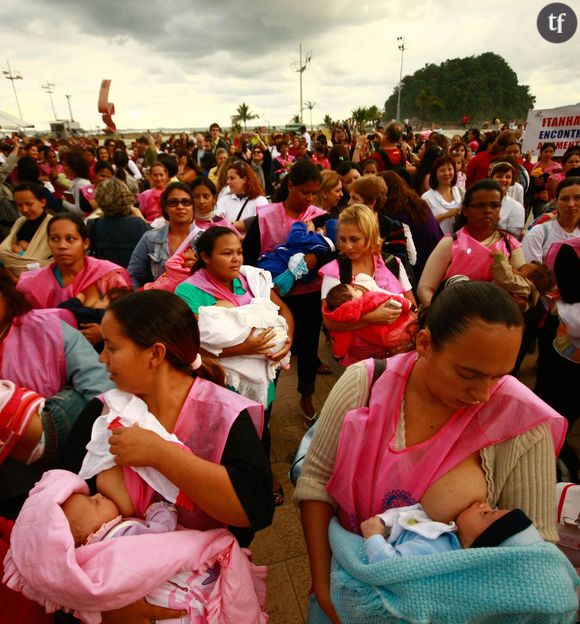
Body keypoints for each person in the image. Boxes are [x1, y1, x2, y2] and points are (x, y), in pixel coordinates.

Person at [295, 281, 566, 623]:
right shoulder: (365, 383)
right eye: (468, 374)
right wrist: (321, 583)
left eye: (498, 376)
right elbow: (317, 482)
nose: (483, 395)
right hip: (347, 593)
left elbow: (532, 557)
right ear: (424, 343)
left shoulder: (521, 424)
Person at [42, 289, 273, 621]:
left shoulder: (226, 416)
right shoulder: (103, 413)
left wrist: (160, 454)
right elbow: (56, 508)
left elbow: (253, 512)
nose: (101, 358)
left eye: (112, 346)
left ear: (155, 353)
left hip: (198, 596)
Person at [243, 161, 330, 424]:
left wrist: (317, 260)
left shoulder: (318, 216)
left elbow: (332, 250)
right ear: (290, 185)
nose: (310, 199)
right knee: (276, 349)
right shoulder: (266, 216)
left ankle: (306, 396)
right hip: (274, 298)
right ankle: (266, 404)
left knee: (308, 348)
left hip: (310, 296)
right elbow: (248, 257)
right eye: (305, 192)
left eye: (314, 193)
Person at [319, 204, 415, 366]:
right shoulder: (336, 271)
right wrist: (373, 318)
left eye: (354, 239)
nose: (347, 246)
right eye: (342, 239)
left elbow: (413, 306)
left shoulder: (392, 263)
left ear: (370, 236)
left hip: (398, 357)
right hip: (357, 365)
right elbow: (329, 322)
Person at [17, 214, 131, 344]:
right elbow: (24, 328)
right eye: (54, 239)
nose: (62, 246)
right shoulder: (31, 284)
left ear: (85, 243)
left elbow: (129, 321)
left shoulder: (111, 276)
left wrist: (104, 333)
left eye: (70, 239)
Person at [418, 179, 524, 308]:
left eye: (494, 205)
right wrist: (441, 315)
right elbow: (425, 288)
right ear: (465, 210)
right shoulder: (450, 243)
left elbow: (522, 288)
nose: (488, 210)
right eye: (480, 206)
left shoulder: (510, 246)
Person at [361, 502, 543, 563]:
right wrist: (386, 521)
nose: (483, 503)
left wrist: (374, 536)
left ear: (470, 544)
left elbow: (390, 567)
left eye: (486, 513)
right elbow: (411, 515)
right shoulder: (445, 533)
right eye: (493, 506)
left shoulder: (437, 550)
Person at [323, 275, 415, 362]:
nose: (358, 289)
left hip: (373, 350)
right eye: (355, 290)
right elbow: (391, 298)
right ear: (351, 298)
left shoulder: (344, 318)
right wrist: (409, 305)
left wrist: (339, 355)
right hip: (398, 330)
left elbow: (342, 339)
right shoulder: (368, 298)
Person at [127, 181, 198, 288]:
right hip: (161, 302)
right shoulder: (150, 238)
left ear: (192, 206)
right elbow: (133, 275)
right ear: (165, 207)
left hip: (197, 302)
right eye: (173, 202)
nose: (180, 206)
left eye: (186, 202)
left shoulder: (205, 238)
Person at [379, 170, 443, 281]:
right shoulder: (417, 204)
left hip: (422, 269)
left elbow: (411, 257)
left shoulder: (397, 216)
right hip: (438, 259)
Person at [88, 177, 150, 268]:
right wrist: (141, 217)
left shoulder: (94, 225)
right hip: (135, 277)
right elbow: (157, 241)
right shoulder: (138, 224)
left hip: (106, 276)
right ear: (127, 198)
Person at [0, 183, 53, 280]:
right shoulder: (20, 222)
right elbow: (7, 250)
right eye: (19, 205)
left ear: (42, 202)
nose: (24, 209)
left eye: (29, 204)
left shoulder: (54, 226)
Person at [522, 176, 580, 264]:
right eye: (564, 199)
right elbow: (532, 273)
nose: (571, 204)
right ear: (556, 202)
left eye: (577, 198)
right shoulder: (539, 233)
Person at [421, 155, 463, 236]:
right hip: (438, 243)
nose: (447, 173)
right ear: (435, 173)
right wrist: (446, 215)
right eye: (442, 170)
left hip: (460, 242)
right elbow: (424, 224)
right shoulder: (427, 198)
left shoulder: (461, 192)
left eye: (450, 169)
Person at [216, 160, 267, 225]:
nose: (228, 182)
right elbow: (217, 220)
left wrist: (230, 225)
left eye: (232, 178)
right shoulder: (224, 200)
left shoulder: (260, 201)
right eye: (228, 178)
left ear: (244, 179)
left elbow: (259, 224)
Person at [489, 161, 525, 237]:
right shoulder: (479, 200)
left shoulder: (517, 207)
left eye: (508, 177)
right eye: (499, 176)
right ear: (492, 178)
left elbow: (512, 238)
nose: (503, 180)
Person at [60, 151, 91, 216]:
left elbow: (80, 211)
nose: (62, 168)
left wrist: (62, 201)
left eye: (65, 165)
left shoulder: (81, 184)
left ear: (74, 166)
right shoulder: (76, 181)